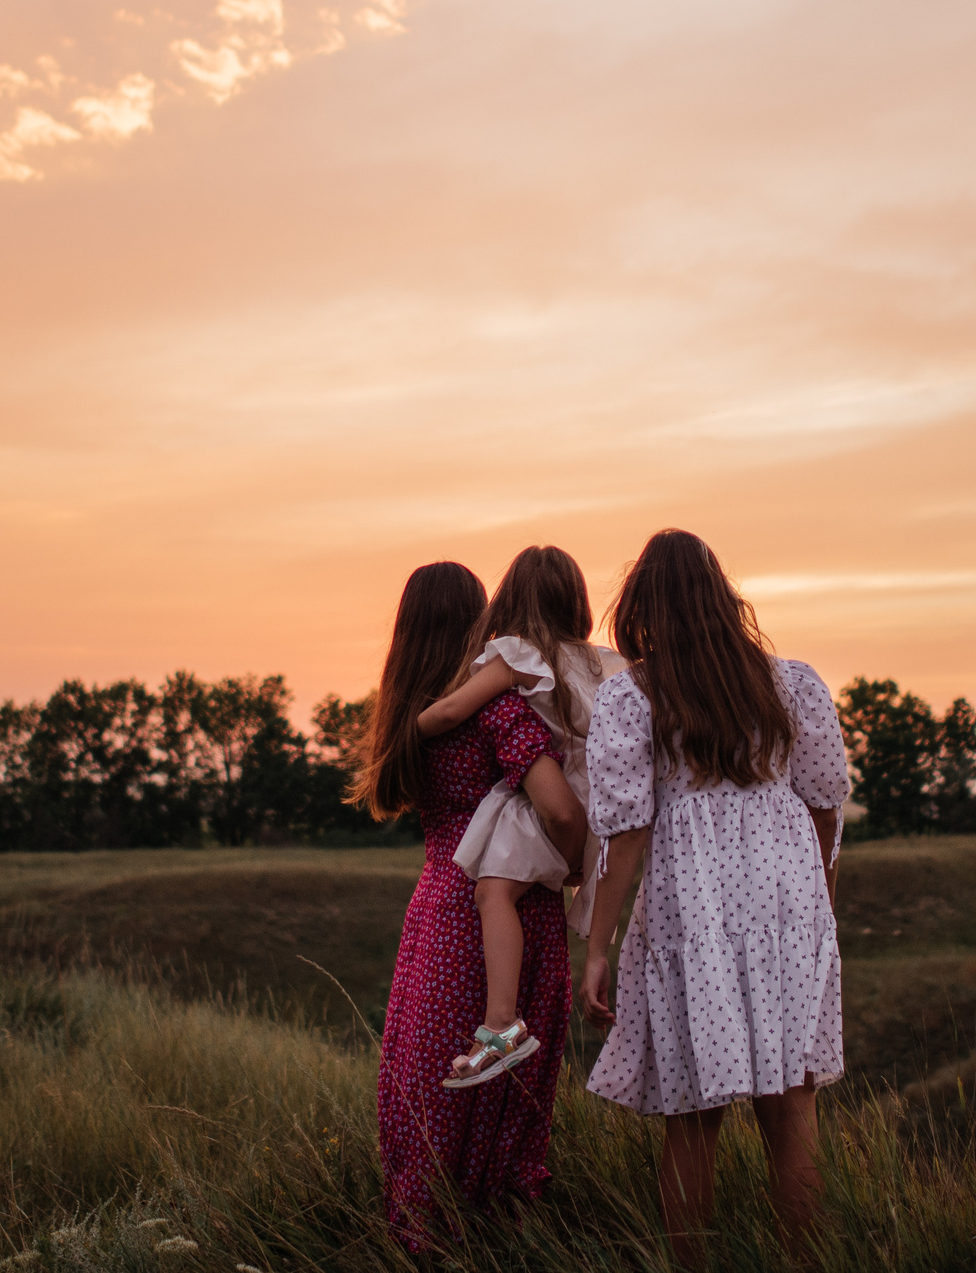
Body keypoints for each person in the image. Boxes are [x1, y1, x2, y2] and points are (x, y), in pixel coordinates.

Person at [579, 529, 850, 1268]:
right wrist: (819, 904)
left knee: (692, 1117)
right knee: (793, 1108)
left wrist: (597, 945)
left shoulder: (633, 695)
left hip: (692, 905)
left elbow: (626, 831)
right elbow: (825, 802)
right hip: (788, 901)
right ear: (722, 599)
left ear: (641, 607)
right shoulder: (791, 682)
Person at [353, 560, 588, 1249]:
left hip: (435, 907)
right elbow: (559, 806)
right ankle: (499, 1243)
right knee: (503, 1099)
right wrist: (574, 861)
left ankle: (422, 1236)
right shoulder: (500, 707)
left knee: (426, 1084)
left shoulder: (410, 717)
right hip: (511, 909)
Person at [410, 545, 626, 1086]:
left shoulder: (519, 654)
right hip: (596, 810)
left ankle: (502, 1023)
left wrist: (410, 728)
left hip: (545, 802)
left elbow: (456, 709)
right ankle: (507, 1023)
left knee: (492, 892)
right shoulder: (604, 663)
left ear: (509, 598)